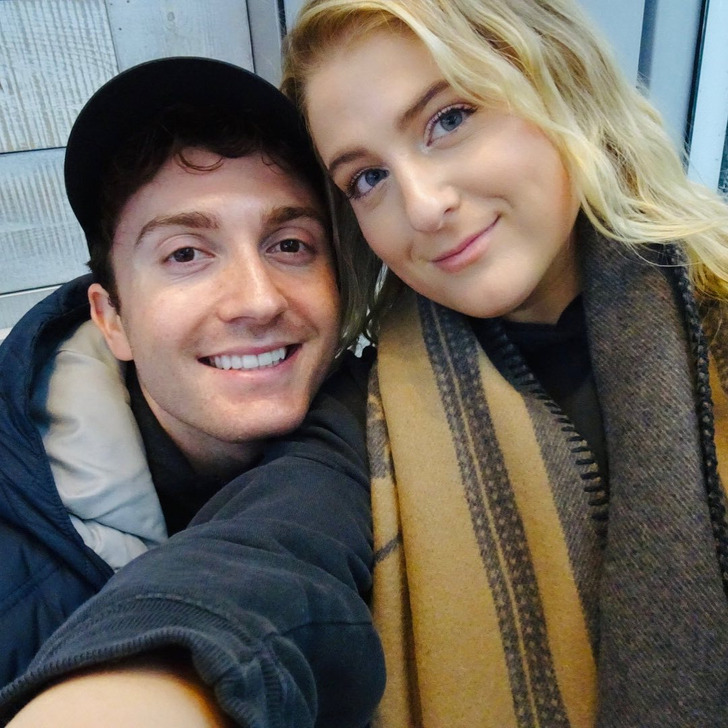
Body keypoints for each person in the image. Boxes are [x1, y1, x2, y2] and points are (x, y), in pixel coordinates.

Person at [5, 0, 728, 726]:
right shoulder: (369, 415)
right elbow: (262, 560)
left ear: (561, 85)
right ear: (110, 317)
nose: (424, 207)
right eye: (367, 177)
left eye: (449, 119)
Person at [0, 54, 382, 715]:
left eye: (290, 245)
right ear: (112, 319)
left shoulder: (386, 424)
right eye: (185, 254)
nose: (257, 300)